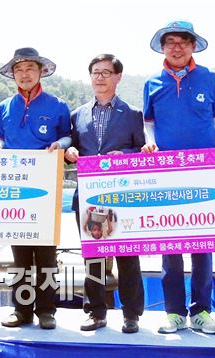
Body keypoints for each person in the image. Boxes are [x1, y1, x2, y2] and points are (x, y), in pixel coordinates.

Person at [142, 20, 215, 335]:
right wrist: (150, 141)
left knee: (202, 245)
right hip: (166, 173)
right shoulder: (152, 82)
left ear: (193, 45)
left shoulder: (209, 78)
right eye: (170, 41)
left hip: (204, 171)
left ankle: (202, 311)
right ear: (163, 47)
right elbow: (148, 122)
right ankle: (173, 313)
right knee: (170, 246)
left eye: (183, 41)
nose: (177, 47)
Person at [0, 47, 71, 330]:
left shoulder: (57, 105)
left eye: (30, 69)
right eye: (19, 70)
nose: (24, 75)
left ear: (40, 72)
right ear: (13, 75)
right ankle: (21, 310)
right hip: (15, 191)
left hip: (46, 189)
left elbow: (68, 136)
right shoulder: (3, 106)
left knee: (46, 254)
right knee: (20, 254)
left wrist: (60, 145)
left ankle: (47, 310)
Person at [65, 54, 145, 333]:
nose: (100, 77)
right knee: (94, 254)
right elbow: (69, 148)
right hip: (88, 195)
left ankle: (131, 314)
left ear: (118, 77)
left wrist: (123, 154)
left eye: (106, 73)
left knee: (127, 255)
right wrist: (69, 152)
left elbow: (143, 151)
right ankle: (96, 312)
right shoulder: (77, 114)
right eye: (95, 72)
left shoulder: (133, 114)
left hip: (122, 194)